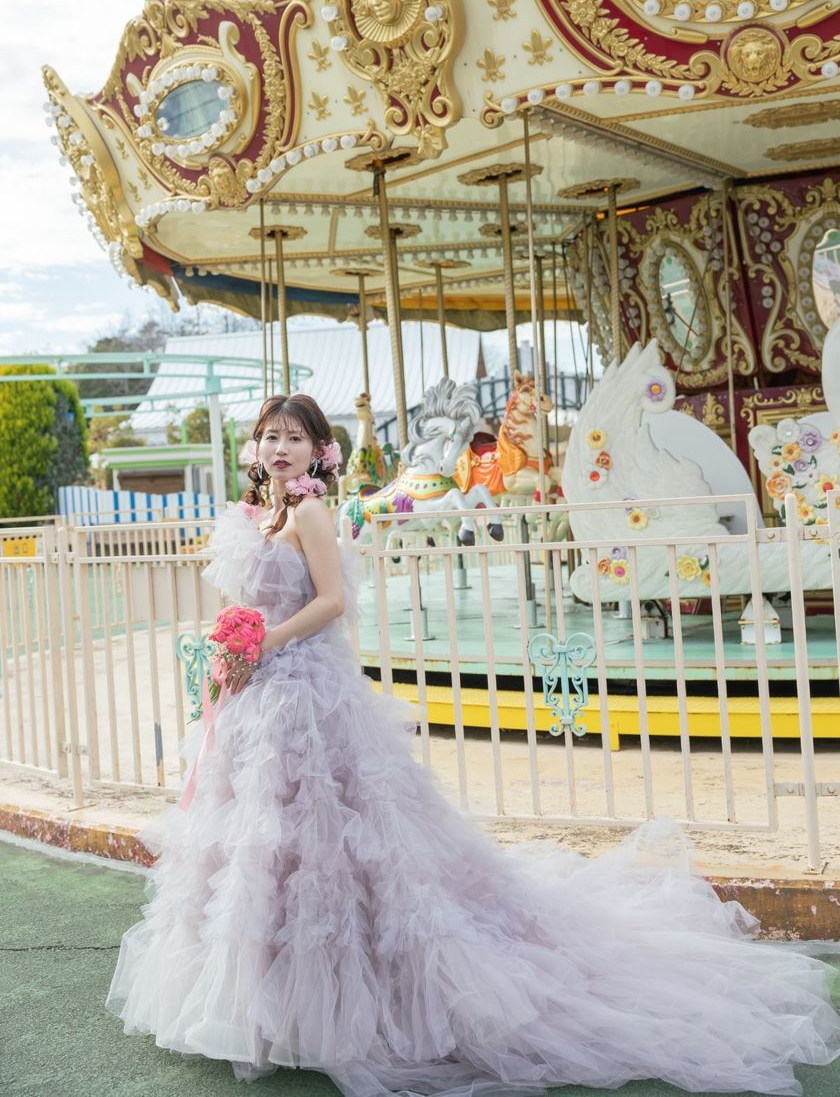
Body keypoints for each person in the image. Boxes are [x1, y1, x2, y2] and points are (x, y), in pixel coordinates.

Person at [106, 393, 840, 1095]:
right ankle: (270, 1001)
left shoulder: (310, 511)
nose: (281, 448)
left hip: (306, 691)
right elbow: (251, 600)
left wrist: (264, 640)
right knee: (266, 846)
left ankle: (358, 998)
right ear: (255, 446)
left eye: (295, 438)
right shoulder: (259, 516)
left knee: (336, 836)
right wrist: (234, 639)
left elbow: (331, 603)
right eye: (271, 435)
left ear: (319, 452)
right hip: (261, 692)